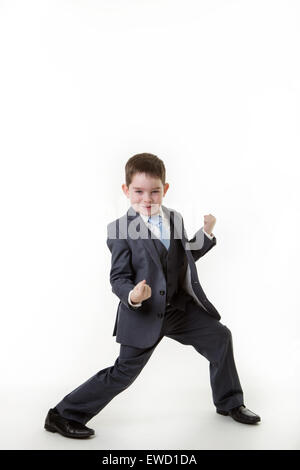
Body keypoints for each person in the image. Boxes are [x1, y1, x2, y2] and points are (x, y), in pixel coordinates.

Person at [44, 153, 261, 439]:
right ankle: (62, 415)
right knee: (122, 373)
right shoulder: (120, 229)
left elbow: (184, 255)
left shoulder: (174, 217)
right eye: (138, 191)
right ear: (126, 191)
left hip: (178, 310)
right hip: (144, 313)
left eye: (154, 191)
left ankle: (229, 402)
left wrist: (205, 234)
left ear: (165, 189)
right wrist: (133, 295)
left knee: (220, 337)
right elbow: (118, 277)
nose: (147, 198)